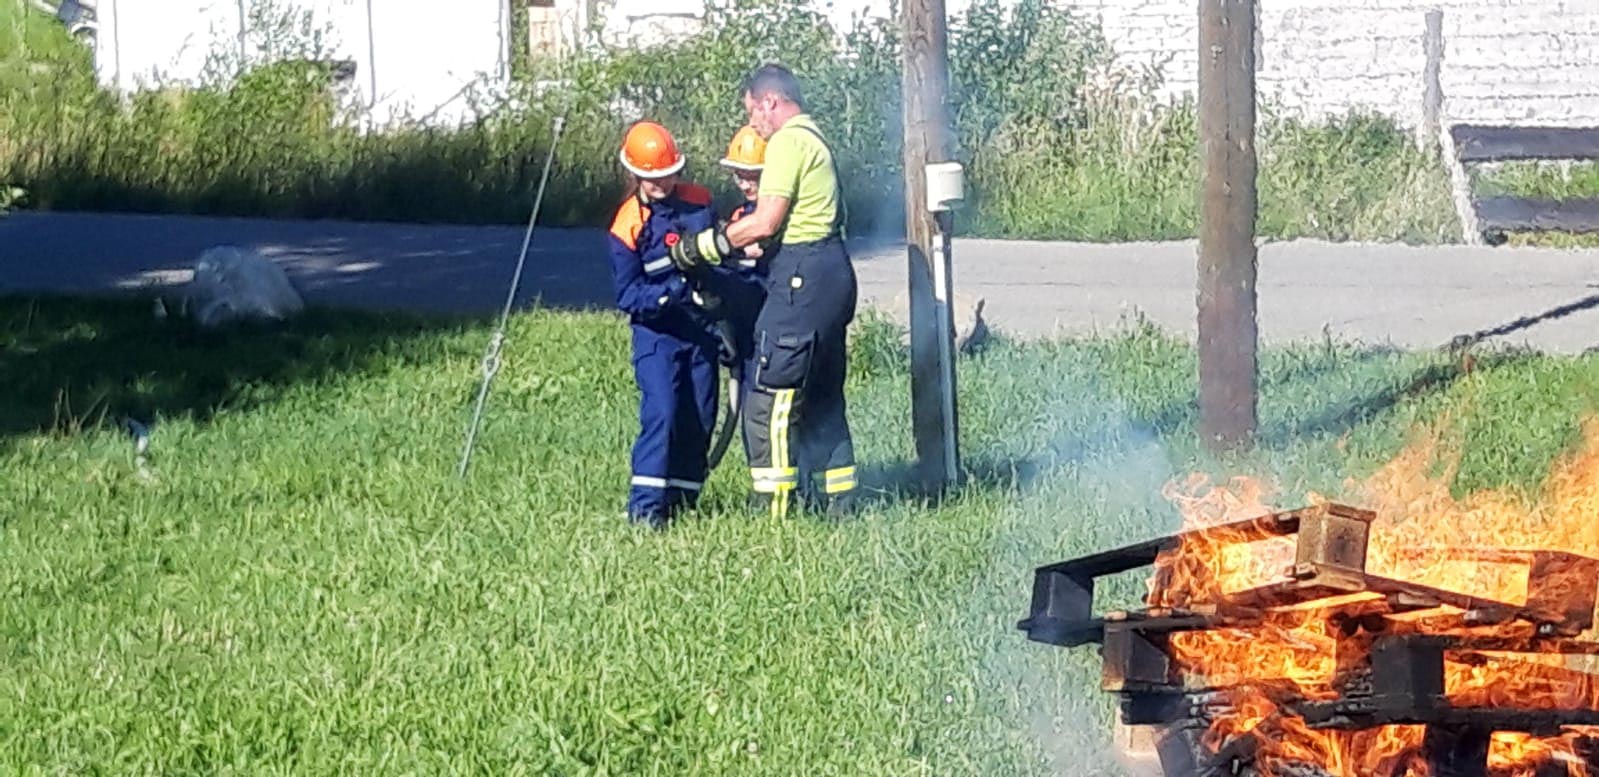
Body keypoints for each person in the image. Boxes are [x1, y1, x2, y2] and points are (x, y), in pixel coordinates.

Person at [669, 64, 859, 518]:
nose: (753, 124)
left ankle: (773, 511)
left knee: (769, 399)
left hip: (802, 279)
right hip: (832, 272)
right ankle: (840, 503)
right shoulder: (817, 137)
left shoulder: (788, 141)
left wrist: (701, 247)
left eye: (753, 112)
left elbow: (767, 220)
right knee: (823, 396)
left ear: (770, 102)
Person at [606, 120, 721, 529]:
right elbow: (628, 295)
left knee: (701, 415)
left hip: (701, 331)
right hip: (658, 334)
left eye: (667, 175)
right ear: (635, 174)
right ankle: (645, 511)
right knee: (664, 413)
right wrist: (671, 294)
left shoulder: (700, 201)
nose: (662, 184)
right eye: (652, 178)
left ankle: (684, 503)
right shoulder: (627, 225)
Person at [713, 125, 771, 465]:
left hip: (768, 324)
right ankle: (760, 475)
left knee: (766, 407)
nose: (747, 184)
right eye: (740, 176)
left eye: (754, 176)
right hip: (743, 331)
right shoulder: (739, 216)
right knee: (749, 407)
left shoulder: (775, 213)